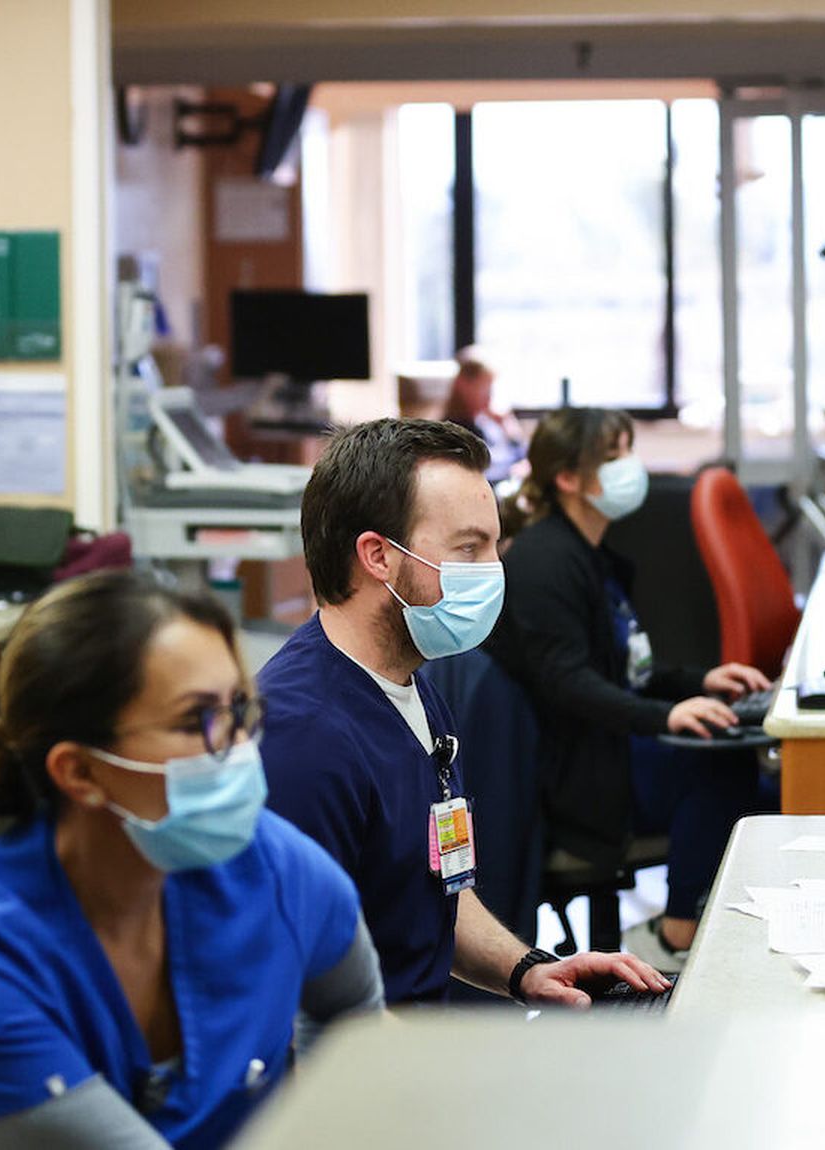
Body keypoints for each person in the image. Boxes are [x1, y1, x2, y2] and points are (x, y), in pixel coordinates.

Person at [0, 571, 382, 1150]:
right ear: (79, 772)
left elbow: (352, 1012)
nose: (237, 746)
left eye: (239, 709)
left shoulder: (275, 870)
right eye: (194, 720)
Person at [258, 418, 668, 1008]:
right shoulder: (301, 739)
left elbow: (437, 896)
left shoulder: (416, 693)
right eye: (468, 549)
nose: (493, 570)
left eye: (493, 547)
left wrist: (528, 969)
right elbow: (297, 1006)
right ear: (377, 556)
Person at [486, 408, 773, 974]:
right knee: (716, 766)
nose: (630, 467)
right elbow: (569, 683)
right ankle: (674, 936)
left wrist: (700, 682)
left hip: (605, 745)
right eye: (613, 456)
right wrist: (667, 718)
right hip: (577, 774)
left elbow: (628, 665)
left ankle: (707, 925)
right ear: (568, 478)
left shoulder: (590, 553)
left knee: (748, 774)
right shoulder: (547, 560)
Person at [442, 346, 528, 484]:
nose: (489, 396)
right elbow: (480, 473)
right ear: (464, 385)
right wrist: (511, 470)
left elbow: (520, 454)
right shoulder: (454, 431)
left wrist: (507, 424)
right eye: (484, 388)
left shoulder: (485, 422)